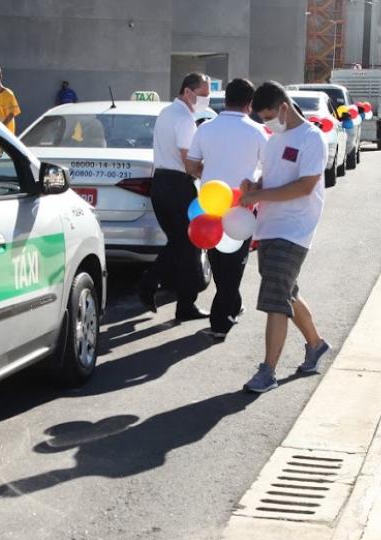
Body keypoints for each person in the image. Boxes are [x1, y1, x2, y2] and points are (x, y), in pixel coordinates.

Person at [238, 81, 331, 393]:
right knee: (286, 291)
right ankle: (316, 345)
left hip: (295, 229)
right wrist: (255, 187)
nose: (266, 123)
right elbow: (272, 176)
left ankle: (268, 371)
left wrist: (261, 193)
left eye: (268, 116)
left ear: (284, 107)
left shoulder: (312, 138)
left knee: (275, 299)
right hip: (269, 226)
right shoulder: (275, 138)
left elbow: (305, 186)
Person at [186, 77, 267, 340]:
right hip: (242, 206)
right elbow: (270, 168)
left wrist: (207, 175)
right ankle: (223, 320)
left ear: (226, 99)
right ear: (250, 103)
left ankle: (228, 308)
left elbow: (191, 164)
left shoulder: (206, 128)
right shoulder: (257, 131)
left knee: (219, 262)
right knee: (234, 264)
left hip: (209, 205)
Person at [139, 72, 211, 322]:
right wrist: (211, 174)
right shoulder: (184, 119)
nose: (206, 99)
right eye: (203, 94)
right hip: (178, 186)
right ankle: (170, 295)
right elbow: (188, 162)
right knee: (190, 244)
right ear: (188, 91)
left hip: (160, 183)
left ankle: (162, 289)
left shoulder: (167, 113)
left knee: (178, 243)